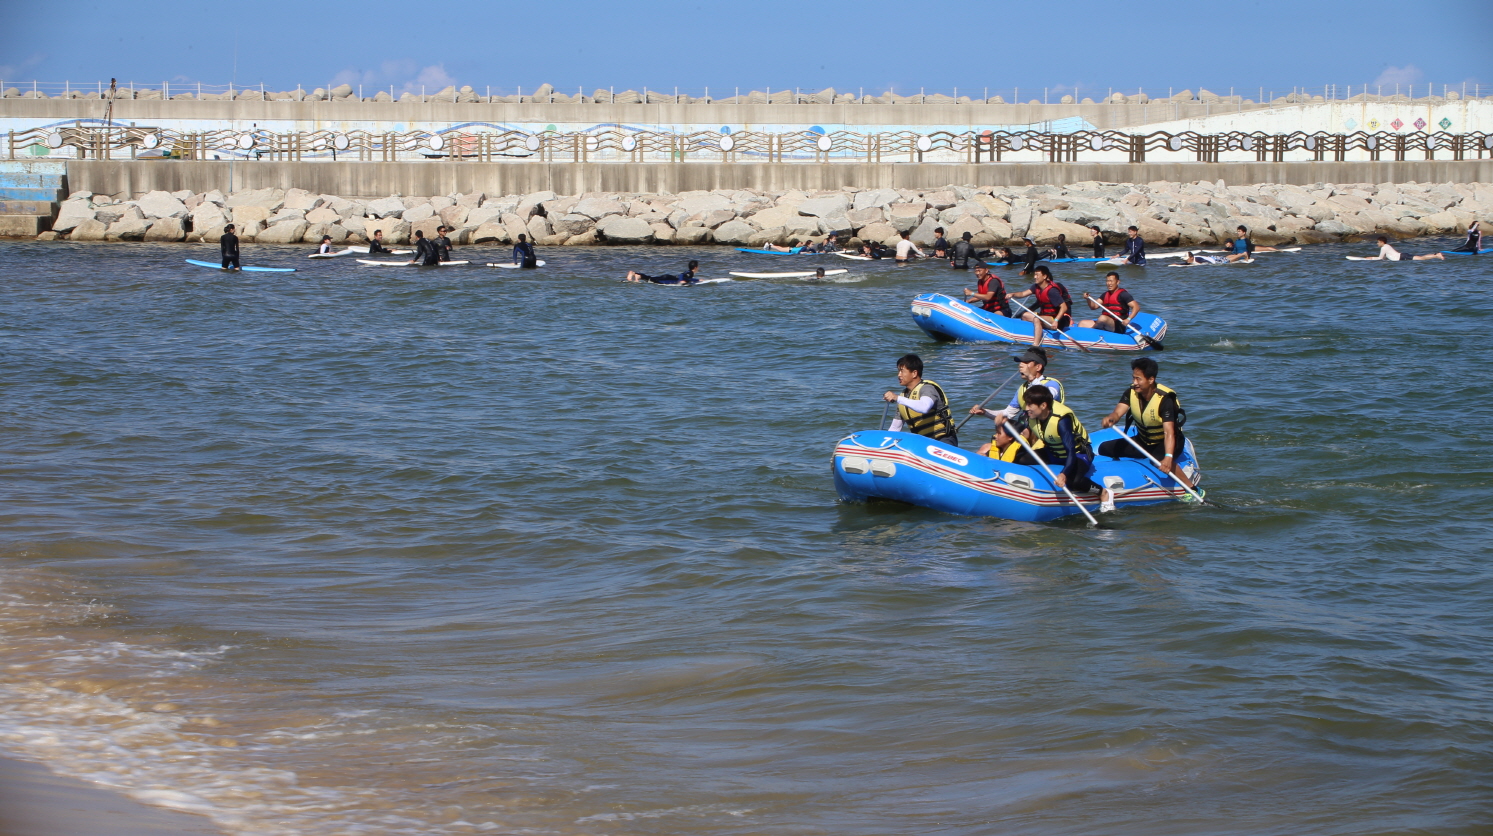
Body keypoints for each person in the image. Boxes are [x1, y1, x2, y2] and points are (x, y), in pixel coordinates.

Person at [1097, 357, 1200, 509]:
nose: (1135, 382)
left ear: (1151, 379)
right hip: (1144, 441)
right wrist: (1111, 418)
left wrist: (1168, 457)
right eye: (1133, 377)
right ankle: (1126, 471)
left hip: (1167, 442)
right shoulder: (1131, 392)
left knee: (1159, 459)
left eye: (1138, 378)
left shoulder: (1165, 399)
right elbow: (1118, 412)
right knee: (1104, 448)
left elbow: (1169, 432)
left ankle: (1192, 488)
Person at [1008, 385, 1093, 493]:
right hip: (1053, 453)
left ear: (1043, 405)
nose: (1026, 408)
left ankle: (1103, 493)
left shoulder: (1062, 420)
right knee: (1019, 459)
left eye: (1030, 404)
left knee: (1075, 482)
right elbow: (1012, 431)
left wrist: (1064, 474)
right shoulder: (1028, 415)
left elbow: (1070, 450)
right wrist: (1001, 423)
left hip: (1078, 454)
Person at [968, 347, 1065, 434]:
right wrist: (984, 412)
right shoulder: (1022, 389)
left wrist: (1032, 380)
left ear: (1038, 367)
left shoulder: (1052, 384)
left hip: (1051, 432)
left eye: (1026, 362)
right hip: (1030, 433)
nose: (1021, 365)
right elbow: (1008, 414)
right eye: (1021, 362)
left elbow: (1045, 397)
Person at [883, 353, 956, 444]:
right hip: (922, 443)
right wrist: (884, 444)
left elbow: (924, 407)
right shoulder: (903, 397)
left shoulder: (927, 388)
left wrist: (897, 398)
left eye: (902, 371)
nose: (899, 375)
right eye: (898, 371)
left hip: (943, 439)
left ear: (914, 373)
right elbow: (895, 428)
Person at [1006, 265, 1072, 348]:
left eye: (1037, 275)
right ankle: (1031, 331)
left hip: (1057, 319)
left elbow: (1064, 307)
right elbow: (1023, 294)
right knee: (1025, 315)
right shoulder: (1036, 287)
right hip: (1045, 317)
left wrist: (1056, 320)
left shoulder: (1052, 291)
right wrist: (1013, 294)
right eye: (1034, 275)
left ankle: (1036, 345)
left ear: (1044, 276)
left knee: (1037, 319)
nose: (1034, 277)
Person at [1362, 236, 1444, 261]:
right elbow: (1384, 258)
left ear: (1382, 242)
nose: (1377, 243)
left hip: (1402, 257)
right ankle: (1436, 255)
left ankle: (1437, 255)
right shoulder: (1387, 246)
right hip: (1402, 255)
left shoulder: (1384, 247)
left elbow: (1380, 258)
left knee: (1422, 258)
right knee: (1421, 257)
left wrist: (1370, 258)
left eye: (1378, 242)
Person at [625, 259, 699, 284]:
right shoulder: (690, 273)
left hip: (668, 277)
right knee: (653, 280)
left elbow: (685, 276)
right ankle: (635, 274)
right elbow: (683, 276)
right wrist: (697, 280)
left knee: (651, 279)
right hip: (669, 279)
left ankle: (637, 275)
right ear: (695, 267)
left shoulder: (688, 272)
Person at [1174, 250, 1250, 266]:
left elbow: (1208, 263)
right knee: (1225, 257)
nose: (1186, 260)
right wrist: (1178, 264)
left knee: (1227, 260)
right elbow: (1186, 264)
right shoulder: (1191, 260)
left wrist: (1217, 265)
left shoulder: (1198, 259)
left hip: (1214, 260)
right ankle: (1239, 254)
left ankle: (1243, 254)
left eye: (1187, 259)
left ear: (1191, 257)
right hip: (1212, 257)